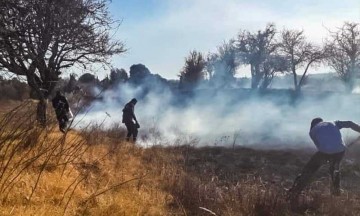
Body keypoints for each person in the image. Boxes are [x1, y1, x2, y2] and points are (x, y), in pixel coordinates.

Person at [288, 118, 360, 203]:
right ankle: (336, 193)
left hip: (325, 152)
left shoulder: (312, 132)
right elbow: (350, 123)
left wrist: (326, 157)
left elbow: (320, 146)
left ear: (312, 125)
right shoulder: (333, 123)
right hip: (340, 151)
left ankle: (295, 191)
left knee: (309, 170)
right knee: (334, 169)